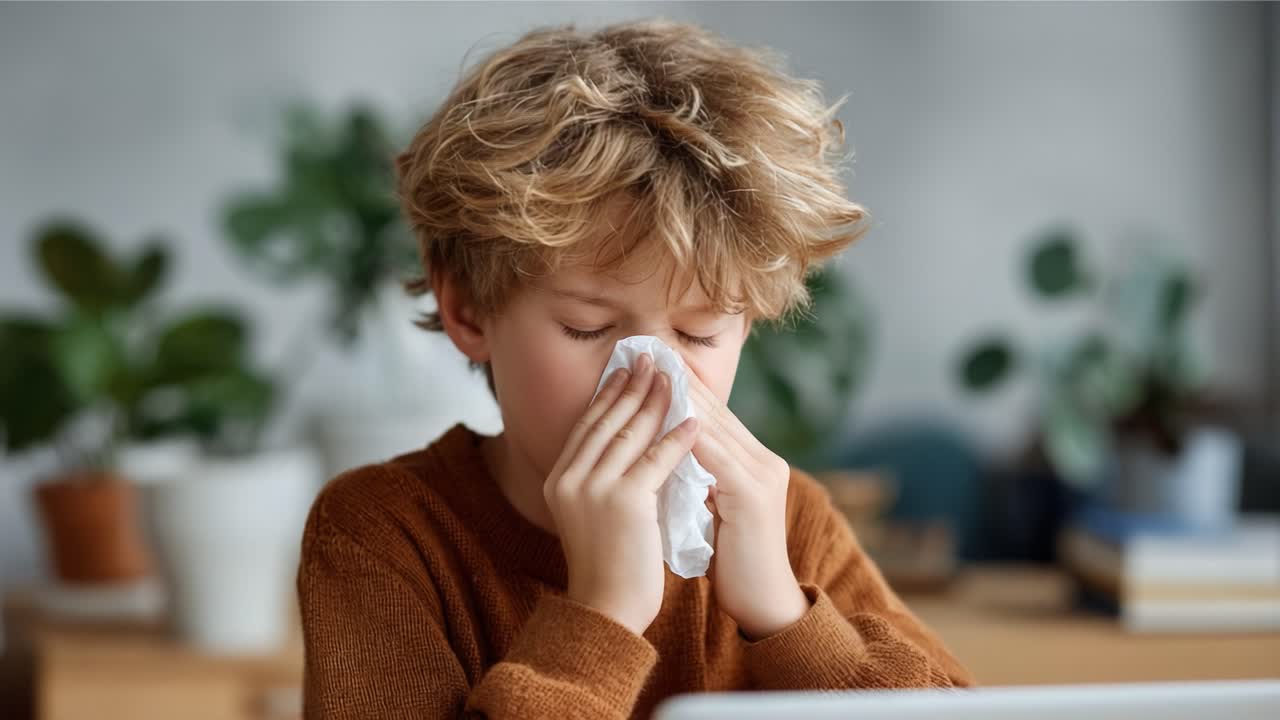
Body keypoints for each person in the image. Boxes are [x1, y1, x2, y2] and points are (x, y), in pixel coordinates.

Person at [297, 17, 973, 720]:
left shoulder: (788, 527)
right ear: (468, 311)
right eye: (587, 327)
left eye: (700, 331)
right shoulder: (383, 536)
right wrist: (602, 617)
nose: (654, 382)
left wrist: (787, 617)